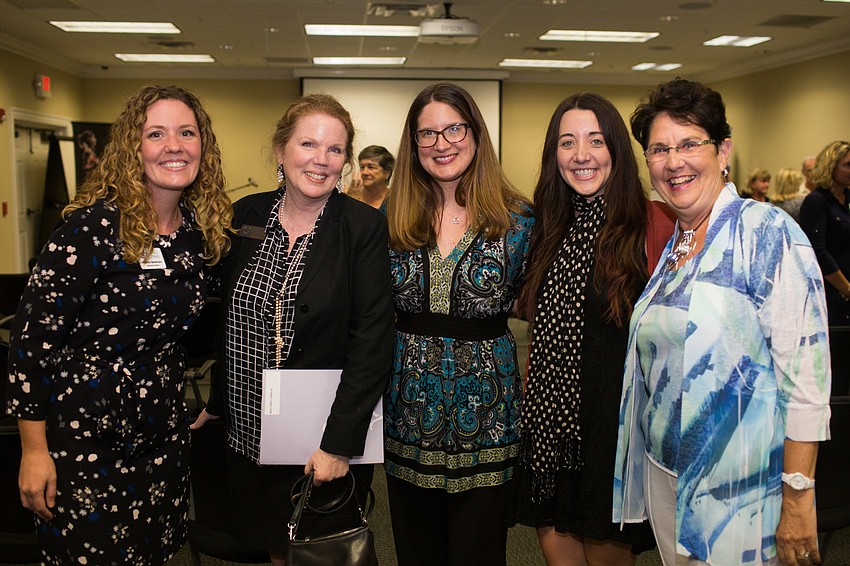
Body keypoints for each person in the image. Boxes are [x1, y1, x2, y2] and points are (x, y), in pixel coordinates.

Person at [6, 84, 233, 565]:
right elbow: (30, 348)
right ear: (134, 147)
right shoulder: (90, 229)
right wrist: (33, 451)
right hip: (86, 438)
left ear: (202, 147)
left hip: (162, 434)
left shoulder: (197, 230)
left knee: (152, 554)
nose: (174, 145)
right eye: (157, 133)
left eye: (186, 132)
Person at [614, 78, 831, 566]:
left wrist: (799, 497)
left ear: (723, 149)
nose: (674, 162)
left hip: (739, 492)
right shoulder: (678, 243)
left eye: (690, 143)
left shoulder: (766, 232)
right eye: (659, 149)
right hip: (667, 476)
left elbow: (806, 382)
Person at [190, 93, 394, 565]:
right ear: (281, 151)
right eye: (308, 144)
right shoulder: (245, 217)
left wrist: (339, 445)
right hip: (248, 431)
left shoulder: (360, 226)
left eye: (335, 149)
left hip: (318, 439)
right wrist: (218, 405)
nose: (321, 160)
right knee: (274, 551)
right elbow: (231, 320)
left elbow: (373, 339)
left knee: (316, 553)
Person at [514, 93, 670, 565]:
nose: (581, 155)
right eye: (567, 142)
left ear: (617, 150)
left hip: (611, 430)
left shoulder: (653, 224)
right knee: (554, 546)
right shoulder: (545, 227)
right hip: (547, 425)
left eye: (595, 141)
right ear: (553, 154)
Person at [383, 82, 534, 566]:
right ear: (413, 144)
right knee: (416, 550)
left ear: (475, 133)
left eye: (453, 129)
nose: (441, 144)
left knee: (478, 552)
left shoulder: (520, 219)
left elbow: (543, 310)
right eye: (426, 134)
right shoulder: (391, 216)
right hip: (408, 411)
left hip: (488, 415)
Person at [799, 140, 850, 326]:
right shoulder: (817, 202)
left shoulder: (847, 198)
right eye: (847, 165)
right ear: (831, 166)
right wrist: (846, 289)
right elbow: (818, 252)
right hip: (831, 292)